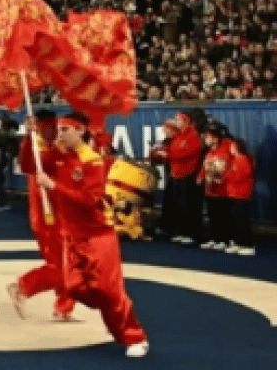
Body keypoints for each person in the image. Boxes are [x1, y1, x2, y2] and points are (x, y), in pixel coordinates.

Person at [36, 113, 148, 358]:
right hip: (71, 234)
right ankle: (113, 315)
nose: (61, 133)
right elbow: (29, 162)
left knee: (109, 291)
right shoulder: (60, 156)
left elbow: (90, 200)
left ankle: (134, 336)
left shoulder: (93, 161)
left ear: (81, 131)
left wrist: (54, 187)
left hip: (97, 235)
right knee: (73, 287)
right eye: (60, 129)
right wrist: (32, 134)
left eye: (66, 129)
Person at [9, 110, 76, 321]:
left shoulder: (59, 149)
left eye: (62, 129)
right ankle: (23, 286)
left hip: (64, 214)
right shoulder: (37, 151)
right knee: (60, 266)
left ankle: (63, 307)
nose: (57, 132)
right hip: (46, 217)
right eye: (55, 128)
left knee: (70, 262)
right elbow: (26, 165)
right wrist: (28, 137)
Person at [150, 112, 204, 245]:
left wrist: (166, 154)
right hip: (176, 176)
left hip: (188, 177)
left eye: (179, 120)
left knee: (189, 207)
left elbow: (184, 154)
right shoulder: (178, 136)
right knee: (179, 207)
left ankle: (192, 234)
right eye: (176, 120)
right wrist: (162, 153)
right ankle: (181, 232)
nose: (177, 123)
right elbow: (173, 152)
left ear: (186, 121)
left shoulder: (194, 136)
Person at [198, 122, 235, 251]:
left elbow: (236, 162)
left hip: (223, 189)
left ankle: (224, 240)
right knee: (212, 215)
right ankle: (215, 238)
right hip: (210, 189)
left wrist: (224, 174)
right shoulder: (210, 151)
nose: (205, 138)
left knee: (223, 215)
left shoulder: (228, 145)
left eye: (207, 136)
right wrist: (200, 176)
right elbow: (205, 166)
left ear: (215, 136)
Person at [223, 138, 256, 256]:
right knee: (235, 221)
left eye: (232, 146)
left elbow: (238, 178)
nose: (230, 148)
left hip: (241, 195)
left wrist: (225, 173)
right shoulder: (235, 160)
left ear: (237, 147)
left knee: (241, 221)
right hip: (233, 195)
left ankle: (247, 245)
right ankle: (237, 242)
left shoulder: (243, 160)